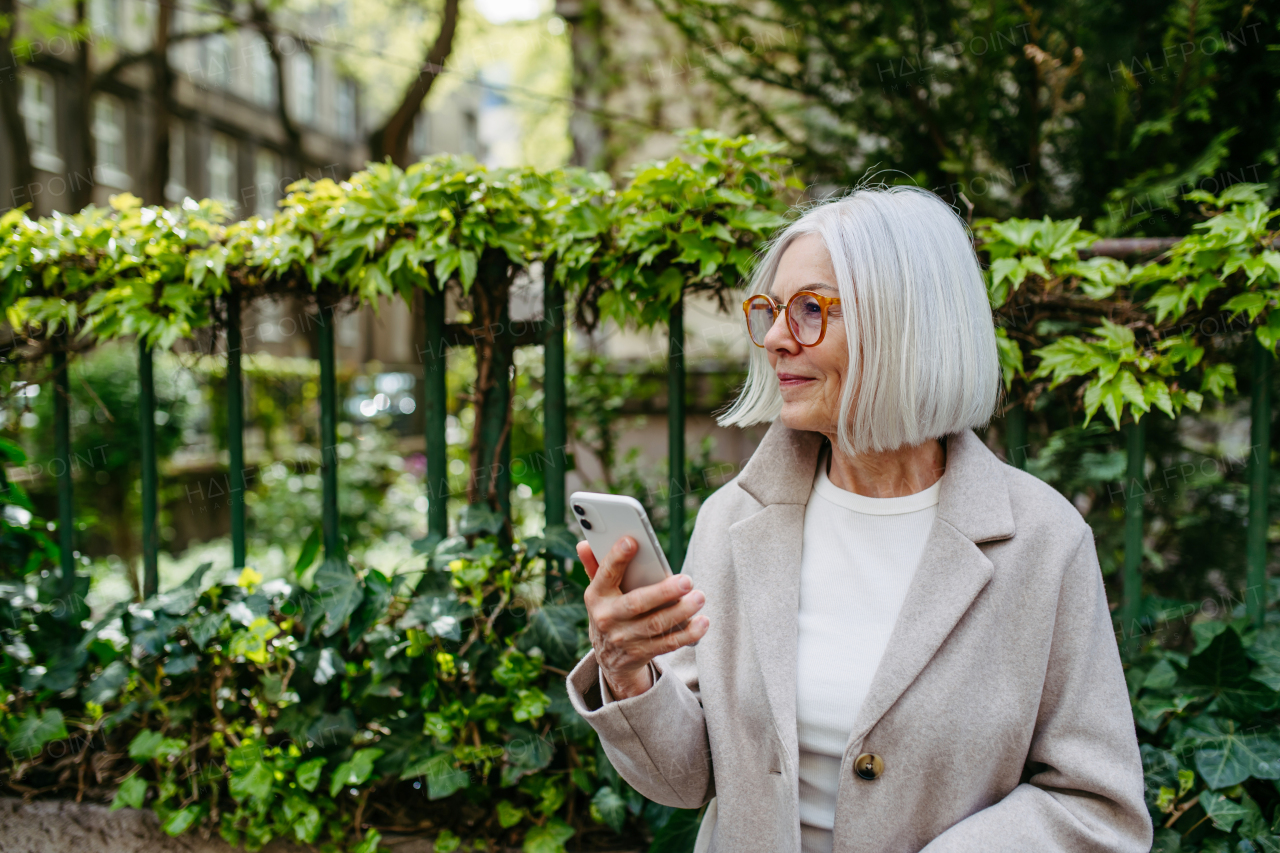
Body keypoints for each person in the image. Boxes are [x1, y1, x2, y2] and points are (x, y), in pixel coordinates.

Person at [563, 185, 1153, 853]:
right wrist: (627, 671)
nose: (778, 338)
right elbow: (687, 776)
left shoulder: (1044, 542)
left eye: (811, 309)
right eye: (773, 311)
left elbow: (1098, 806)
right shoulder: (733, 519)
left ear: (906, 324)